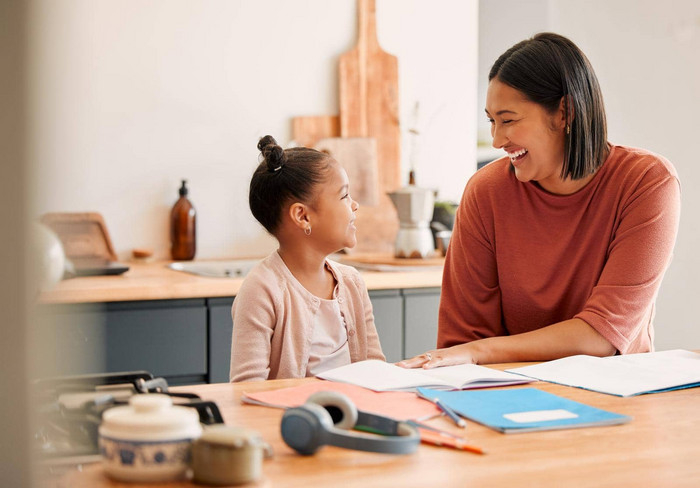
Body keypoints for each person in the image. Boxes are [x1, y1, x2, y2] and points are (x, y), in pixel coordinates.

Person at [398, 32, 680, 369]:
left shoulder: (646, 182)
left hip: (617, 394)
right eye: (492, 121)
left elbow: (602, 336)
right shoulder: (485, 192)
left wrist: (481, 351)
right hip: (507, 392)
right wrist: (475, 352)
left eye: (509, 120)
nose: (497, 139)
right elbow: (464, 340)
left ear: (565, 112)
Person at [230, 135, 385, 382]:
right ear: (302, 216)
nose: (354, 205)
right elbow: (246, 389)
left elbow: (375, 370)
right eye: (344, 196)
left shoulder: (352, 282)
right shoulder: (261, 291)